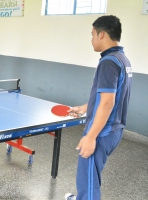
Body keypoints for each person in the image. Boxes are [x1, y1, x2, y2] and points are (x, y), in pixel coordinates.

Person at [65, 15, 132, 200]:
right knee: (90, 177)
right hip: (115, 130)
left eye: (93, 34)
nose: (91, 39)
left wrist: (91, 136)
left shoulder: (108, 62)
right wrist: (86, 107)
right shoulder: (122, 59)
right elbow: (110, 98)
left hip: (103, 131)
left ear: (102, 34)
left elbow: (108, 103)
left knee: (88, 182)